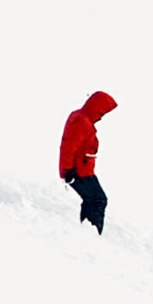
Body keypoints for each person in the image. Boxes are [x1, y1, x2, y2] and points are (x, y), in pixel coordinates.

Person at [59, 90, 119, 234]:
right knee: (98, 200)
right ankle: (92, 234)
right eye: (102, 113)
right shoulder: (82, 121)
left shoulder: (81, 118)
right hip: (77, 172)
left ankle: (86, 231)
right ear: (96, 108)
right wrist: (68, 170)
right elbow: (69, 146)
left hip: (83, 170)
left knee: (92, 199)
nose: (101, 117)